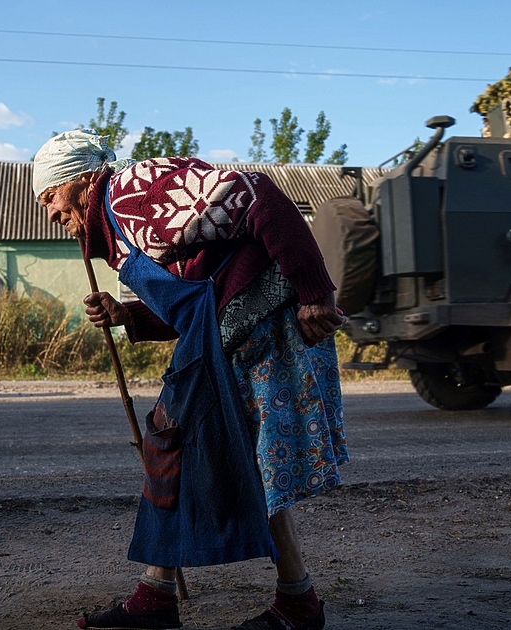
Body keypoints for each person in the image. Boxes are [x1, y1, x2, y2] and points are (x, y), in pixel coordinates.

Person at [33, 130, 349, 630]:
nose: (49, 212)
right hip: (228, 334)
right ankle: (257, 599)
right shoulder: (120, 234)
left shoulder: (132, 194)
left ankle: (279, 603)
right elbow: (201, 297)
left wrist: (313, 288)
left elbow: (257, 194)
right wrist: (129, 315)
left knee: (192, 444)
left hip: (263, 324)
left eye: (49, 196)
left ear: (80, 180)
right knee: (199, 446)